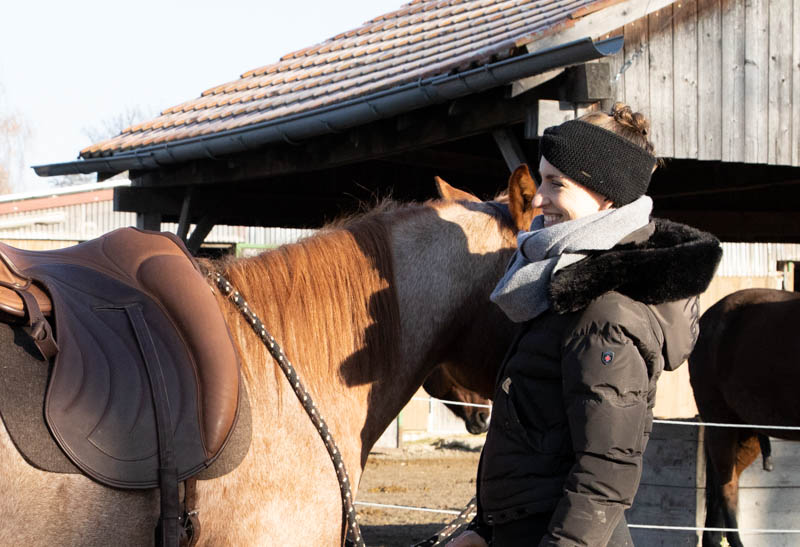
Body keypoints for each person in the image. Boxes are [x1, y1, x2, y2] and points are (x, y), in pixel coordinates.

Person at [447, 103, 722, 546]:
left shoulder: (605, 314)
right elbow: (543, 447)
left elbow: (604, 476)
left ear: (607, 196)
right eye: (541, 179)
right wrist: (485, 531)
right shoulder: (563, 288)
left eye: (557, 183)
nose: (537, 198)